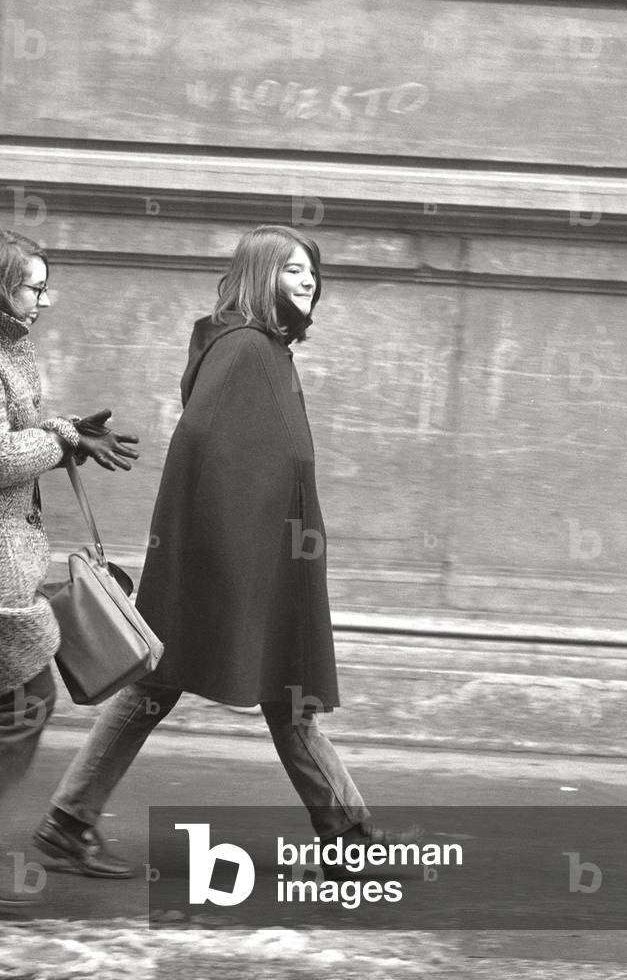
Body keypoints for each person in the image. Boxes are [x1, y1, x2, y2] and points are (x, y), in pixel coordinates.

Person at [35, 224, 385, 878]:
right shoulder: (247, 350)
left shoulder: (261, 350)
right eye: (290, 269)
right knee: (209, 690)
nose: (307, 278)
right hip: (234, 570)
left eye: (311, 269)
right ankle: (347, 842)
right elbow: (205, 452)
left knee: (215, 693)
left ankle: (347, 839)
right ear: (259, 276)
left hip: (251, 565)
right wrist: (232, 576)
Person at [0, 229, 139, 907]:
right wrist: (58, 438)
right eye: (33, 285)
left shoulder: (11, 350)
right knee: (25, 701)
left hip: (10, 565)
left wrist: (65, 431)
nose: (45, 299)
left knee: (23, 702)